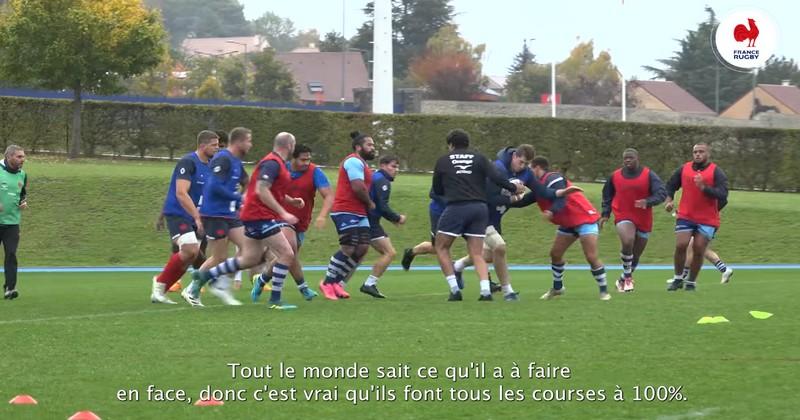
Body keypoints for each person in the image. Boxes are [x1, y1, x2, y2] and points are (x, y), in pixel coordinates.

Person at [190, 131, 303, 310]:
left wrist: (288, 201)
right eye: (249, 141)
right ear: (290, 145)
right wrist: (282, 211)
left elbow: (252, 184)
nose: (251, 144)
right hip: (241, 214)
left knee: (251, 257)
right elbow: (259, 188)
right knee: (286, 254)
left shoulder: (241, 161)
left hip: (240, 214)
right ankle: (274, 299)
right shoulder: (269, 163)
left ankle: (205, 277)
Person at [450, 144, 579, 301]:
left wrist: (560, 192)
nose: (523, 167)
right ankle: (507, 291)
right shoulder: (497, 168)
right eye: (522, 162)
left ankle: (457, 266)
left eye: (526, 164)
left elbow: (541, 191)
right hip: (480, 215)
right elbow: (489, 198)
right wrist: (512, 198)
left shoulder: (526, 173)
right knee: (500, 247)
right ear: (514, 156)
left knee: (490, 255)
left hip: (495, 218)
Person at [431, 129, 524, 301]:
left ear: (450, 145)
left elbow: (437, 189)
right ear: (468, 143)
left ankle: (454, 290)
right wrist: (514, 188)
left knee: (441, 246)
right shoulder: (479, 158)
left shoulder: (443, 160)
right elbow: (496, 177)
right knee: (477, 253)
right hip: (480, 209)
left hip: (457, 206)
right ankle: (485, 291)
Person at [251, 143, 334, 301]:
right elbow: (266, 190)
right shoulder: (280, 169)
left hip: (301, 221)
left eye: (309, 159)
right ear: (293, 159)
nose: (306, 163)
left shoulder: (315, 172)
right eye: (303, 160)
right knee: (289, 249)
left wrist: (322, 215)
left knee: (288, 255)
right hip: (279, 217)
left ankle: (261, 280)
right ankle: (289, 292)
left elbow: (329, 195)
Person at [182, 127, 253, 306]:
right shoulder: (223, 158)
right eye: (248, 141)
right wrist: (238, 197)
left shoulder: (236, 161)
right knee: (219, 257)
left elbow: (247, 182)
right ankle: (192, 288)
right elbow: (214, 186)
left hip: (230, 214)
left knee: (249, 249)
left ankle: (221, 285)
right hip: (214, 213)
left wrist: (240, 200)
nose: (251, 145)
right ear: (238, 142)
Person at [151, 131, 219, 304]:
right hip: (179, 213)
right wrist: (196, 217)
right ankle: (159, 284)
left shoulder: (211, 165)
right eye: (214, 145)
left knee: (191, 255)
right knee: (190, 250)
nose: (217, 148)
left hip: (197, 216)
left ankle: (161, 289)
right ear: (202, 145)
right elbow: (181, 193)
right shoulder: (188, 162)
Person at [530, 157, 611, 301]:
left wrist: (552, 211)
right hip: (568, 223)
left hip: (584, 218)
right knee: (555, 254)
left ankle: (604, 291)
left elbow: (562, 198)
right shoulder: (539, 185)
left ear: (537, 167)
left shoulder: (553, 178)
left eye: (530, 168)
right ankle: (557, 288)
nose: (528, 172)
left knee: (591, 256)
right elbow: (528, 198)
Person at [318, 131, 377, 300]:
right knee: (348, 248)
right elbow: (358, 187)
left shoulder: (362, 164)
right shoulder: (353, 161)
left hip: (358, 211)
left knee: (362, 248)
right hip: (345, 210)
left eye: (373, 145)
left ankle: (336, 282)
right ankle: (327, 283)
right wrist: (370, 202)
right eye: (369, 145)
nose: (373, 148)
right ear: (359, 147)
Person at [600, 148, 666, 293]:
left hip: (643, 218)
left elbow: (661, 193)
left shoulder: (649, 175)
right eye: (625, 158)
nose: (627, 160)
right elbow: (607, 195)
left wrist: (648, 201)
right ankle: (629, 278)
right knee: (628, 241)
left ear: (637, 158)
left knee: (635, 256)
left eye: (630, 158)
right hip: (623, 214)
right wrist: (605, 214)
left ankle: (622, 280)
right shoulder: (615, 176)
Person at [664, 142, 729, 291]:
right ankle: (678, 278)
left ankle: (691, 282)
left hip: (707, 219)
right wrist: (669, 200)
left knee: (699, 249)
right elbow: (670, 185)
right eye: (695, 152)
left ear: (708, 154)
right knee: (681, 245)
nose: (698, 154)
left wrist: (704, 188)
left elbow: (723, 195)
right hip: (686, 215)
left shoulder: (716, 172)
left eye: (701, 152)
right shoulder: (684, 169)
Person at [360, 155, 406, 298]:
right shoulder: (382, 180)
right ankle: (369, 284)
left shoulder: (375, 177)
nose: (396, 170)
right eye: (393, 166)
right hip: (370, 222)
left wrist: (392, 219)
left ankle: (337, 284)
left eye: (397, 167)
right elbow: (382, 205)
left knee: (356, 254)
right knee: (389, 253)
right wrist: (397, 218)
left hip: (366, 219)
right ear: (383, 165)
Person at [1, 145, 28, 300]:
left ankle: (10, 289)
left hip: (12, 223)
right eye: (19, 157)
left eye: (23, 157)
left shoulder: (22, 175)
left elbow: (22, 194)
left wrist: (23, 202)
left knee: (11, 255)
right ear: (9, 156)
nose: (22, 160)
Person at [400, 189, 444, 271]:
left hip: (461, 211)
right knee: (438, 247)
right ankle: (411, 252)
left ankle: (459, 266)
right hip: (440, 212)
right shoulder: (442, 176)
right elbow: (433, 193)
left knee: (473, 240)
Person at [666, 239, 734, 284]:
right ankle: (724, 269)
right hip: (703, 222)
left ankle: (684, 275)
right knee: (701, 248)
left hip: (704, 222)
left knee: (693, 245)